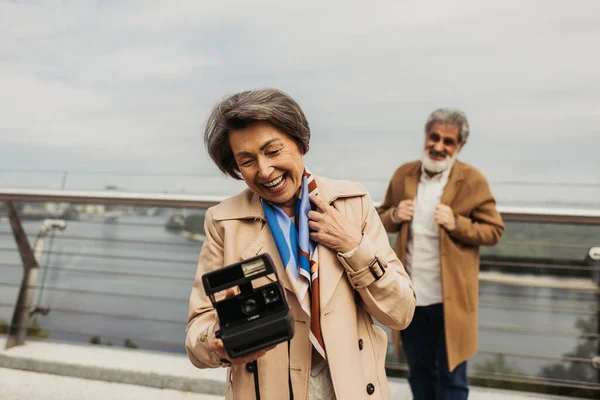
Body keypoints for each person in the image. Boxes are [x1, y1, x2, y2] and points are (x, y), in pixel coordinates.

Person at [185, 88, 416, 400]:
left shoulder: (353, 203)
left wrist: (353, 246)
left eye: (273, 151)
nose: (264, 170)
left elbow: (400, 312)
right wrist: (218, 342)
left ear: (299, 141)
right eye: (247, 160)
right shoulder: (223, 221)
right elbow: (198, 333)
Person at [377, 108, 504, 400]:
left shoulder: (472, 180)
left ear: (459, 147)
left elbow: (494, 231)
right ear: (425, 137)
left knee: (452, 381)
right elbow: (379, 218)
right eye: (434, 137)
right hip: (409, 297)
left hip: (452, 300)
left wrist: (456, 223)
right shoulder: (403, 174)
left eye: (448, 141)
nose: (438, 146)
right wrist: (395, 214)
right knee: (419, 374)